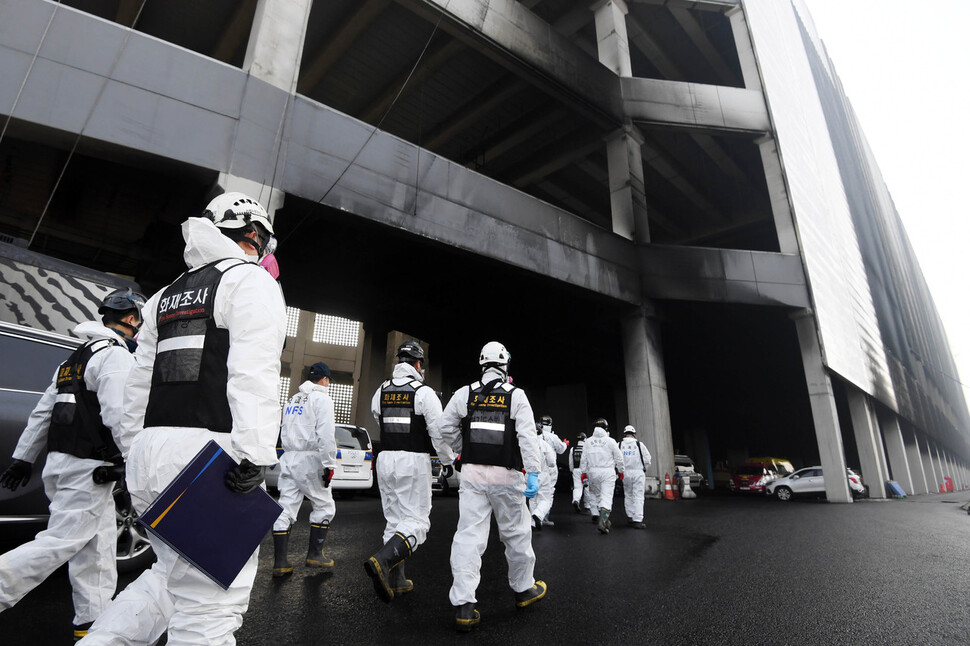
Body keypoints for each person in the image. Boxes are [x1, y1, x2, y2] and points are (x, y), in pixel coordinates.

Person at [79, 191, 286, 645]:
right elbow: (253, 372)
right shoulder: (250, 282)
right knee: (213, 606)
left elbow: (137, 386)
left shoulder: (164, 295)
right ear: (254, 233)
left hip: (153, 455)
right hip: (211, 459)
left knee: (168, 584)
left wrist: (134, 452)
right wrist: (255, 452)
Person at [0, 288, 144, 641]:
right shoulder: (115, 357)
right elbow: (118, 416)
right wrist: (136, 459)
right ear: (130, 319)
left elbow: (42, 413)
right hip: (89, 469)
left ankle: (91, 625)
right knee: (61, 541)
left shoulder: (71, 362)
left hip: (65, 464)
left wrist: (22, 458)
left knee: (97, 548)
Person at [438, 341, 546, 632]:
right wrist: (533, 472)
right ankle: (524, 590)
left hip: (472, 476)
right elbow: (527, 439)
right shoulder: (516, 396)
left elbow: (444, 428)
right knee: (516, 535)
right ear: (505, 365)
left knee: (469, 538)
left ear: (482, 364)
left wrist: (461, 451)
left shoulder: (465, 393)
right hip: (507, 477)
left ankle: (464, 606)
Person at [364, 340, 455, 603]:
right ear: (417, 364)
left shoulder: (380, 390)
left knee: (394, 519)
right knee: (417, 521)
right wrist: (448, 460)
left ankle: (397, 579)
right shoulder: (423, 393)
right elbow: (439, 433)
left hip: (386, 460)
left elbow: (378, 417)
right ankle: (382, 561)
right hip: (413, 461)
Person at [272, 362, 338, 577]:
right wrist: (329, 464)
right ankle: (315, 555)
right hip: (311, 459)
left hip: (289, 457)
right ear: (325, 379)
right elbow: (326, 435)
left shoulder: (292, 399)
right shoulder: (323, 399)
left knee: (285, 507)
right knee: (324, 506)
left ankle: (281, 563)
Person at [579, 418, 624, 534]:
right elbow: (619, 458)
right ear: (606, 428)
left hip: (592, 472)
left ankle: (596, 513)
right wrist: (621, 471)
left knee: (594, 494)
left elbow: (583, 459)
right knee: (606, 496)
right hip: (607, 472)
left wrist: (583, 472)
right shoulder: (611, 441)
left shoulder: (588, 442)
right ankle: (603, 520)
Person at [619, 425, 651, 529]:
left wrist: (619, 471)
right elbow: (647, 459)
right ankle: (638, 519)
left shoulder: (619, 445)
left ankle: (630, 516)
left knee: (628, 494)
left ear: (624, 434)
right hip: (638, 472)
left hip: (625, 473)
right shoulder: (639, 444)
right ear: (634, 434)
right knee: (638, 496)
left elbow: (616, 459)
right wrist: (643, 468)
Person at [536, 415, 566, 526]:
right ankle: (543, 516)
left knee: (534, 494)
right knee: (548, 493)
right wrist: (565, 444)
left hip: (535, 467)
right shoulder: (553, 437)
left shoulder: (533, 435)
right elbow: (561, 449)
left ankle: (533, 518)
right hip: (549, 468)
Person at [528, 422, 557, 530]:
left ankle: (532, 522)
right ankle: (539, 515)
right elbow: (552, 463)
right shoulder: (545, 445)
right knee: (546, 499)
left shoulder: (527, 444)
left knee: (532, 498)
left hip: (529, 474)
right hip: (543, 474)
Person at [569, 432, 588, 513]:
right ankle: (588, 506)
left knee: (577, 487)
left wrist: (572, 470)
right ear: (584, 439)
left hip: (576, 470)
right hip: (586, 470)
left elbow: (570, 462)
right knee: (587, 488)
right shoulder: (587, 448)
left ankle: (576, 500)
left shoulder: (573, 449)